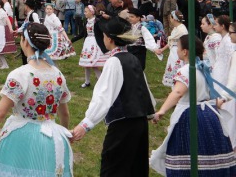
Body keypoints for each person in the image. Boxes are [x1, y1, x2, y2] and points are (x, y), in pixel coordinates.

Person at [0, 22, 73, 176]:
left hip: (22, 137)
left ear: (25, 42)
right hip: (52, 139)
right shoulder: (58, 75)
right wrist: (65, 134)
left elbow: (0, 111)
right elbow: (65, 113)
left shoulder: (21, 74)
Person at [70, 16, 155, 177]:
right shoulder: (133, 58)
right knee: (135, 167)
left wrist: (85, 124)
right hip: (140, 123)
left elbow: (103, 96)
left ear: (109, 39)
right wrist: (151, 112)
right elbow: (143, 87)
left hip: (123, 124)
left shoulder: (114, 62)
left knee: (114, 167)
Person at [150, 34, 236, 176]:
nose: (176, 50)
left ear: (185, 51)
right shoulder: (203, 69)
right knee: (207, 150)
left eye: (178, 47)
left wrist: (162, 111)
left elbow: (177, 92)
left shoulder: (187, 70)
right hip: (208, 116)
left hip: (189, 115)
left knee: (188, 151)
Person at [156, 11, 189, 87]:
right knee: (172, 68)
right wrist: (162, 50)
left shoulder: (182, 30)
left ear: (174, 18)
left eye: (170, 17)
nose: (170, 19)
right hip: (174, 52)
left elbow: (183, 43)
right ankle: (174, 87)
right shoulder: (176, 28)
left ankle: (178, 86)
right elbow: (171, 42)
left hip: (179, 52)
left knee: (177, 69)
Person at [78, 5, 108, 87]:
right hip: (88, 43)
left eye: (86, 11)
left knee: (94, 64)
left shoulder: (97, 21)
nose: (84, 13)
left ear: (91, 12)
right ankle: (87, 81)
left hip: (95, 44)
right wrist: (72, 40)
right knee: (87, 64)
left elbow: (103, 32)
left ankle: (102, 82)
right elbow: (82, 34)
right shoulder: (87, 21)